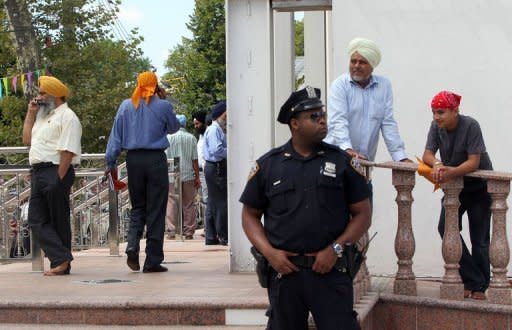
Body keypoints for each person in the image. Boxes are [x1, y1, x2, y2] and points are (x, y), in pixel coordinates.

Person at [240, 86, 371, 329]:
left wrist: (336, 248)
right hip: (285, 273)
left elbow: (363, 213)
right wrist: (270, 253)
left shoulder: (342, 162)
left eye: (322, 114)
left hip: (330, 272)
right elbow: (249, 215)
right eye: (313, 116)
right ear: (294, 123)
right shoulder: (269, 165)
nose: (322, 120)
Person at [105, 71, 180, 273]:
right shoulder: (163, 105)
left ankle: (131, 245)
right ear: (155, 85)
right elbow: (173, 128)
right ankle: (152, 260)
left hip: (133, 160)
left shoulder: (126, 105)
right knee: (156, 209)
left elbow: (115, 137)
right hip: (155, 159)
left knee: (138, 207)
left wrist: (110, 161)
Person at [422, 90, 492, 300]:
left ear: (455, 111)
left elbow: (474, 162)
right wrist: (438, 164)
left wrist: (450, 172)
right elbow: (427, 153)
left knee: (479, 239)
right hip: (455, 188)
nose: (436, 117)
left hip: (479, 188)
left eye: (441, 112)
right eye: (434, 112)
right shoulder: (437, 126)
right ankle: (473, 280)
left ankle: (480, 287)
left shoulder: (471, 125)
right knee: (445, 228)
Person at [324, 37, 411, 179]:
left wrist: (400, 157)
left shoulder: (384, 86)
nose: (356, 66)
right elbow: (338, 120)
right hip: (335, 160)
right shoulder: (340, 85)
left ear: (372, 65)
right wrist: (348, 149)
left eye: (362, 62)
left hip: (363, 165)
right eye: (353, 61)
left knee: (364, 200)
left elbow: (388, 123)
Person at [22, 75, 82, 276]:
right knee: (35, 219)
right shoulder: (41, 115)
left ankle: (61, 263)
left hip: (57, 170)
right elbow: (27, 140)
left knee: (59, 219)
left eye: (42, 93)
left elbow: (68, 150)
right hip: (39, 172)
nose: (38, 97)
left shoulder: (69, 117)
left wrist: (58, 179)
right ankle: (61, 258)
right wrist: (30, 115)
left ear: (54, 95)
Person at [165, 114, 200, 239]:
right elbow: (195, 160)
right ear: (185, 124)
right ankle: (189, 231)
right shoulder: (191, 138)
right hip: (188, 175)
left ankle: (171, 230)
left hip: (171, 175)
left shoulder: (168, 138)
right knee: (189, 203)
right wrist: (197, 177)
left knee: (171, 202)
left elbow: (165, 158)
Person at [202, 101, 228, 245]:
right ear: (221, 114)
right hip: (216, 167)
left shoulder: (216, 129)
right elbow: (216, 150)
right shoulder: (214, 129)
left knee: (213, 202)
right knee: (221, 203)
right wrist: (233, 150)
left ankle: (211, 236)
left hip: (213, 167)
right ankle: (223, 235)